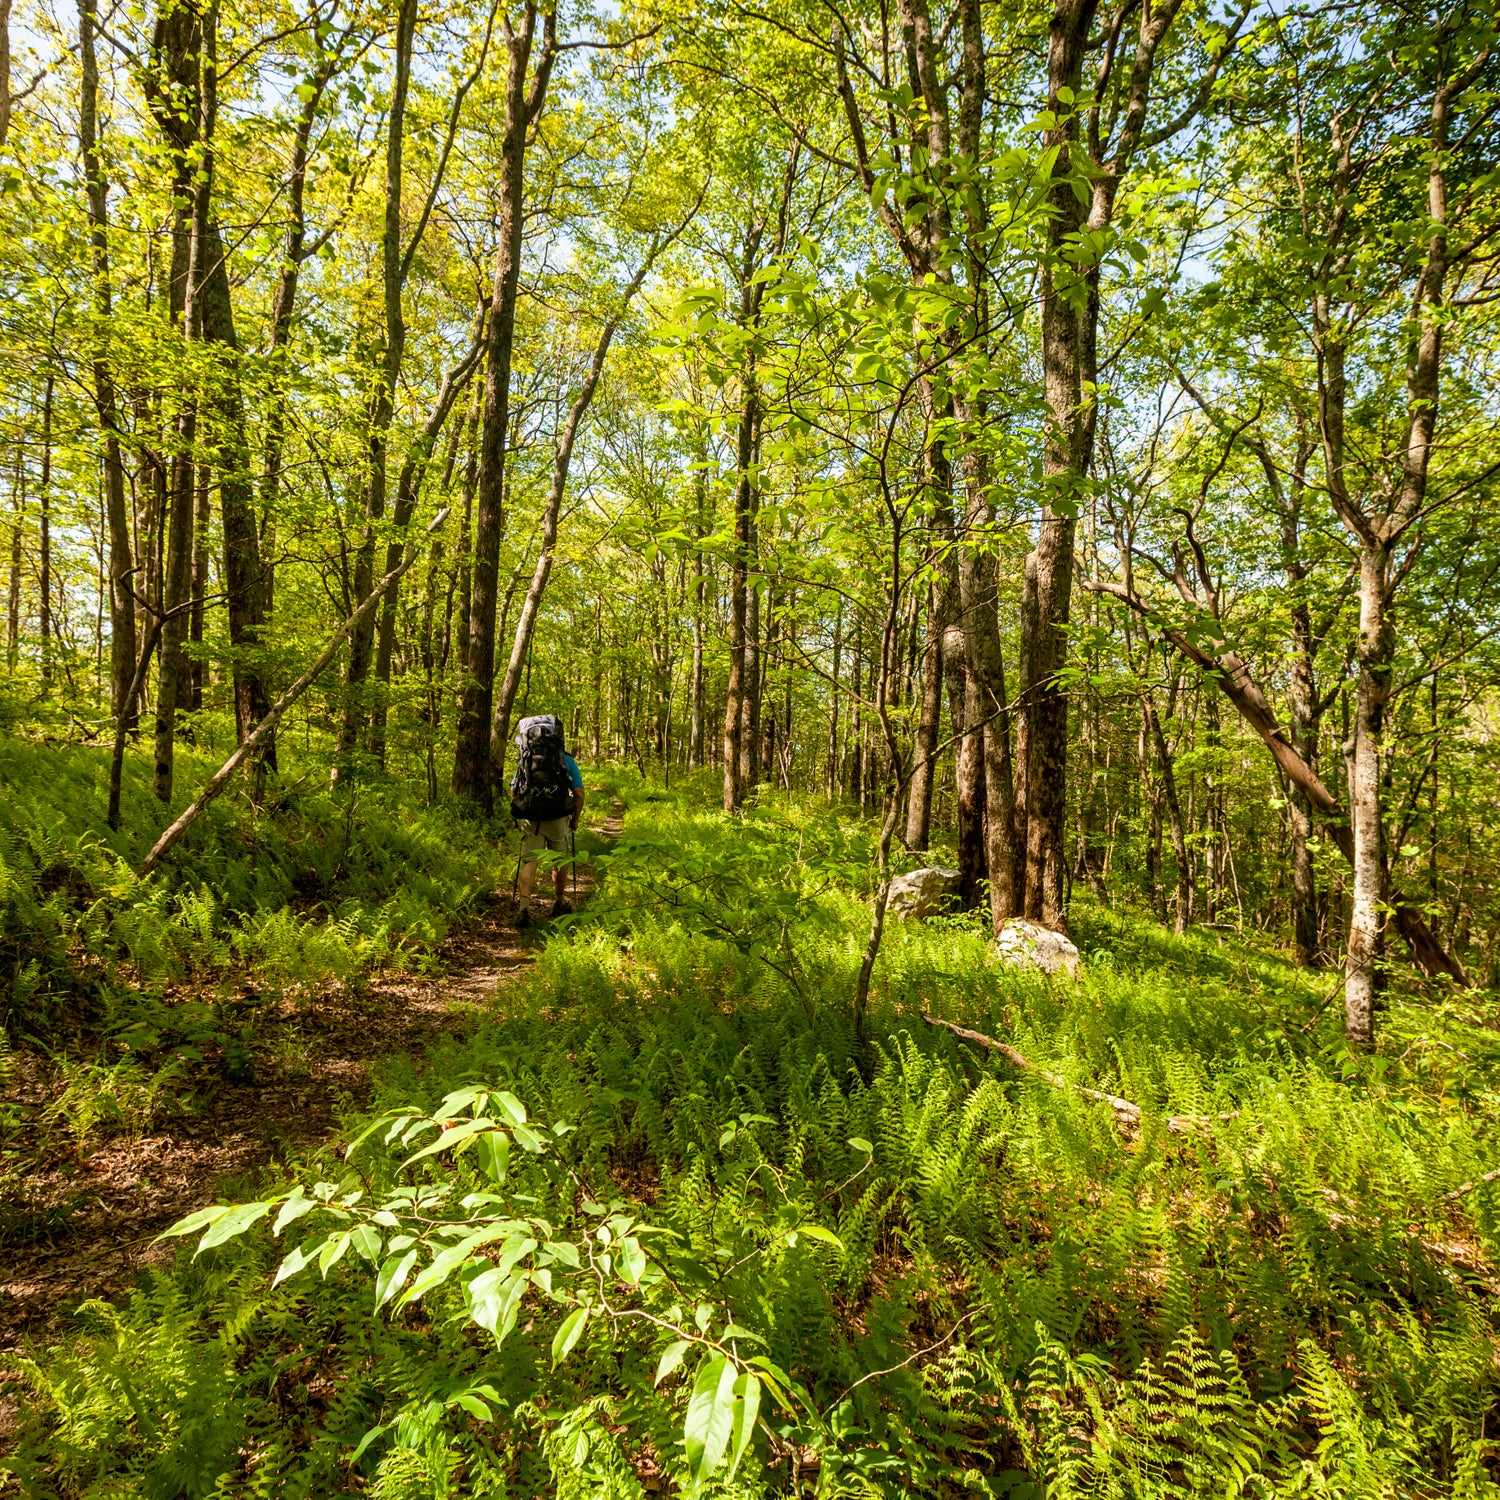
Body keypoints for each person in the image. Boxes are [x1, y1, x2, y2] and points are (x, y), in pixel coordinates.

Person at [511, 716, 585, 927]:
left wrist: (525, 808)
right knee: (559, 861)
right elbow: (579, 793)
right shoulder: (565, 759)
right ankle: (560, 902)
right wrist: (575, 820)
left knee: (529, 861)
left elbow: (513, 789)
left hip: (532, 818)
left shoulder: (526, 757)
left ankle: (524, 909)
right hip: (558, 817)